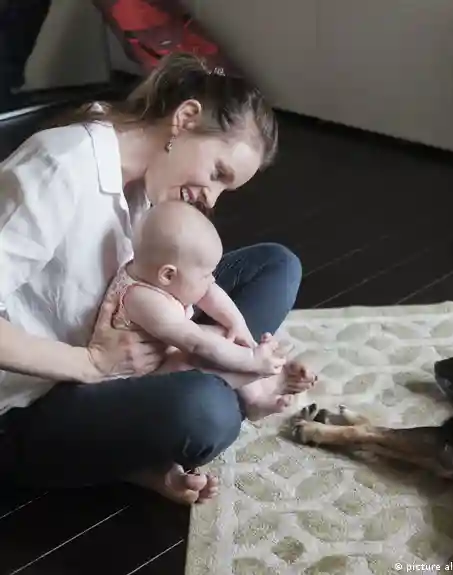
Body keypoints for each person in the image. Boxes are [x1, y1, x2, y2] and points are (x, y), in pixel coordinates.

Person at [0, 52, 313, 504]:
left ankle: (195, 393)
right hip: (33, 401)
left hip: (129, 356)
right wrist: (91, 364)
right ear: (185, 119)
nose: (211, 199)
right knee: (207, 413)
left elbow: (168, 279)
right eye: (217, 174)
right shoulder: (60, 165)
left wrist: (229, 334)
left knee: (276, 266)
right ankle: (204, 402)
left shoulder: (151, 182)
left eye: (225, 188)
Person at [105, 199, 315, 418]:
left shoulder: (158, 275)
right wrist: (250, 358)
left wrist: (238, 327)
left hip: (164, 350)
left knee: (224, 335)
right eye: (206, 275)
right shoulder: (142, 299)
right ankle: (253, 392)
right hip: (137, 380)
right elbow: (196, 343)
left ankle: (258, 385)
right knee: (195, 360)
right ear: (167, 275)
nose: (212, 279)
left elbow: (209, 292)